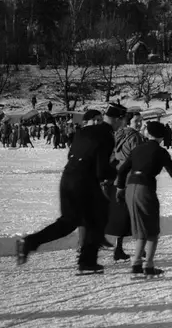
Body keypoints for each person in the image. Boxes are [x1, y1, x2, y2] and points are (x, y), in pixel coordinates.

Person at [16, 109, 116, 273]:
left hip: (71, 179)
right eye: (95, 120)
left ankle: (86, 259)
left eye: (100, 120)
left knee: (89, 218)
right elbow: (100, 169)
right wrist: (114, 170)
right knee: (73, 221)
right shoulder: (99, 136)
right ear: (86, 122)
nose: (99, 123)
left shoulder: (82, 134)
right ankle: (32, 242)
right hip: (83, 183)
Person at [114, 121, 172, 277]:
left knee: (140, 228)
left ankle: (136, 264)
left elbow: (122, 170)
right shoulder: (160, 152)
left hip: (130, 187)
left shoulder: (137, 149)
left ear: (148, 133)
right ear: (161, 137)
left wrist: (120, 188)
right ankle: (148, 265)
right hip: (145, 188)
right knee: (152, 230)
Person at [103, 103, 142, 262]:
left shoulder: (117, 134)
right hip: (129, 177)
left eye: (141, 121)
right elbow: (138, 158)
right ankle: (137, 249)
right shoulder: (135, 137)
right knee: (134, 213)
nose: (140, 124)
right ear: (129, 121)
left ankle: (118, 247)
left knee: (121, 212)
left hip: (117, 175)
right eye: (137, 121)